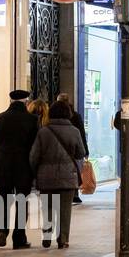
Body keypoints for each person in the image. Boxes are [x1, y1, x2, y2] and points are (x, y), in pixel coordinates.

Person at [30, 101, 87, 249]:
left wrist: (36, 171)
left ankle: (47, 236)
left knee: (47, 207)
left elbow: (34, 156)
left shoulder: (43, 131)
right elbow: (81, 153)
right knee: (65, 210)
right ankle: (63, 239)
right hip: (68, 177)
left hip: (46, 177)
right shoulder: (74, 131)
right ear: (68, 113)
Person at [0, 90, 40, 249]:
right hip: (23, 166)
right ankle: (19, 238)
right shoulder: (32, 119)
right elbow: (35, 147)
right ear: (26, 102)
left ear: (10, 101)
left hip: (3, 165)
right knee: (21, 201)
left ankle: (2, 230)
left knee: (4, 198)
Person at [55, 94, 88, 204]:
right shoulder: (75, 115)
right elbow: (81, 134)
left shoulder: (52, 117)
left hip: (58, 150)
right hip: (73, 149)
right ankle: (74, 194)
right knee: (74, 171)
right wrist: (85, 150)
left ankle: (64, 192)